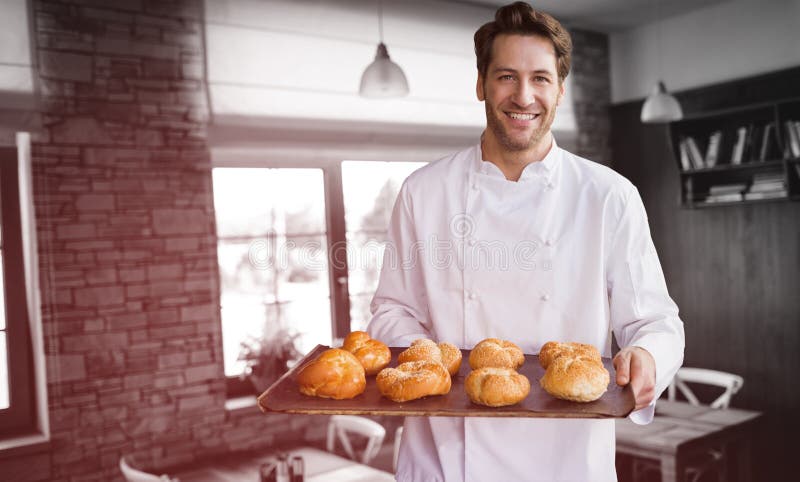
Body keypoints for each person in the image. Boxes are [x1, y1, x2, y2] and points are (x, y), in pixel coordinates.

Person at [366, 2, 685, 481]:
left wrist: (648, 358)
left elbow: (655, 319)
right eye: (506, 76)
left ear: (559, 90)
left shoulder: (608, 195)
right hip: (446, 457)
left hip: (568, 461)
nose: (523, 96)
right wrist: (431, 368)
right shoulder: (423, 191)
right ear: (481, 85)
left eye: (540, 78)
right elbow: (391, 310)